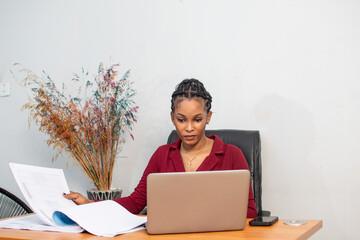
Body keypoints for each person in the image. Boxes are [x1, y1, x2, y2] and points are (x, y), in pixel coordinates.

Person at [64, 79, 258, 218]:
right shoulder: (162, 155)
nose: (189, 128)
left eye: (197, 120)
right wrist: (90, 204)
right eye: (181, 120)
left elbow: (249, 212)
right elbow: (135, 202)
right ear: (173, 117)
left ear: (208, 117)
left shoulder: (232, 155)